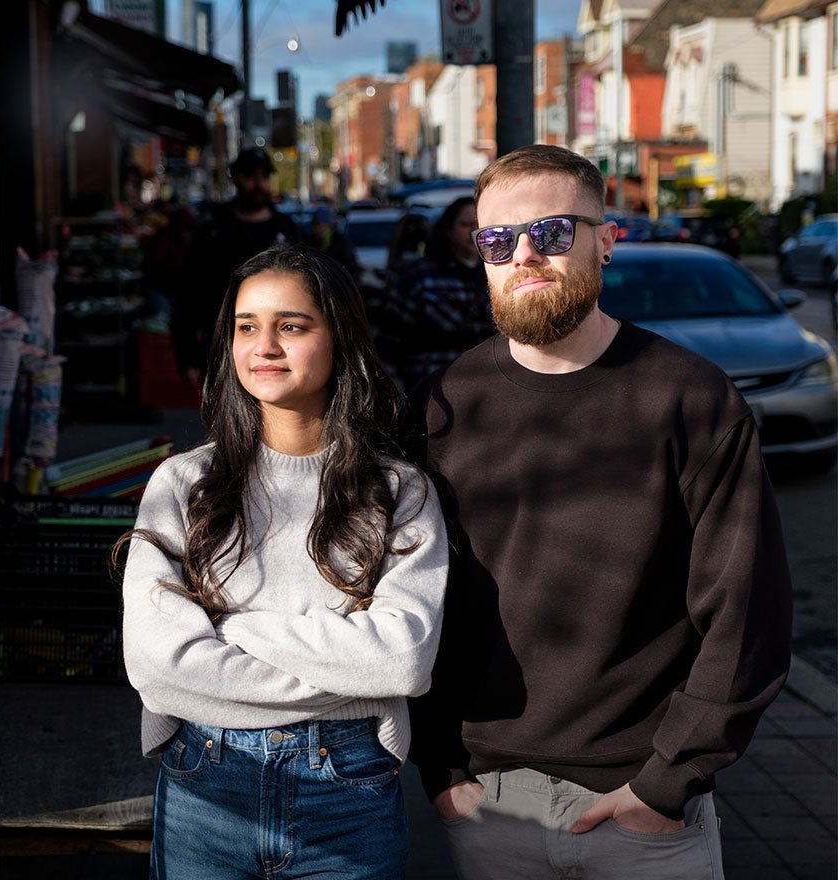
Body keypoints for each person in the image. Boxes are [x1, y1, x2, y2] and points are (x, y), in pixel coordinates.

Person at [408, 145, 793, 879]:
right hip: (489, 805)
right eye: (496, 240)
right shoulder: (441, 407)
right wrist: (439, 768)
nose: (524, 255)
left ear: (607, 240)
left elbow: (748, 613)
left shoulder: (693, 400)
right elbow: (419, 602)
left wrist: (666, 783)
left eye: (552, 232)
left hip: (643, 814)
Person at [119, 244, 448, 879]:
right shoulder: (183, 485)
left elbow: (401, 658)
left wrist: (234, 630)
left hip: (348, 788)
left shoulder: (399, 492)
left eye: (291, 326)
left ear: (339, 338)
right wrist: (346, 672)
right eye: (247, 327)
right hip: (205, 786)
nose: (264, 346)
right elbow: (159, 666)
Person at [171, 147, 301, 389]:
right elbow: (188, 294)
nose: (258, 184)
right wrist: (186, 355)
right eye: (250, 176)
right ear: (235, 179)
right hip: (222, 346)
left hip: (277, 347)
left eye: (263, 177)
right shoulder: (213, 230)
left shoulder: (286, 229)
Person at [381, 196, 492, 391]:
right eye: (465, 225)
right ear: (448, 229)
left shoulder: (497, 274)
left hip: (485, 388)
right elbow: (389, 340)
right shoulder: (421, 276)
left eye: (480, 225)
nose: (473, 232)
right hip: (431, 389)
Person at [306, 205, 361, 285]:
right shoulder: (309, 242)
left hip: (338, 286)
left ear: (330, 225)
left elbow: (351, 268)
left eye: (322, 225)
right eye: (317, 225)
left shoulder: (341, 242)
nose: (319, 228)